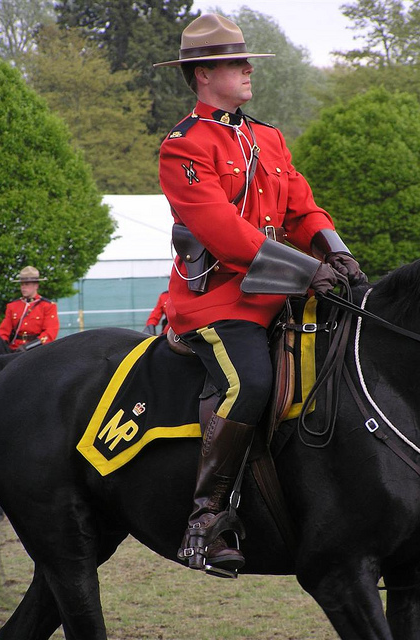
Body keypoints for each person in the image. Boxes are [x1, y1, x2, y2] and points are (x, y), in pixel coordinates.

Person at [154, 13, 366, 577]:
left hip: (283, 294)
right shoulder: (184, 147)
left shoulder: (266, 136)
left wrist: (334, 249)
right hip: (220, 304)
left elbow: (301, 205)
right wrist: (307, 271)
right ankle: (207, 519)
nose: (248, 69)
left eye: (246, 60)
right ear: (202, 75)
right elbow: (226, 234)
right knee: (249, 381)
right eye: (233, 62)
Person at [0, 266, 59, 351]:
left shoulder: (47, 306)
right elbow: (4, 331)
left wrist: (28, 347)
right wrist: (2, 346)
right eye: (22, 284)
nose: (23, 287)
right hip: (14, 349)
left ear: (36, 286)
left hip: (37, 350)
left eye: (26, 284)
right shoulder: (12, 306)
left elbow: (50, 333)